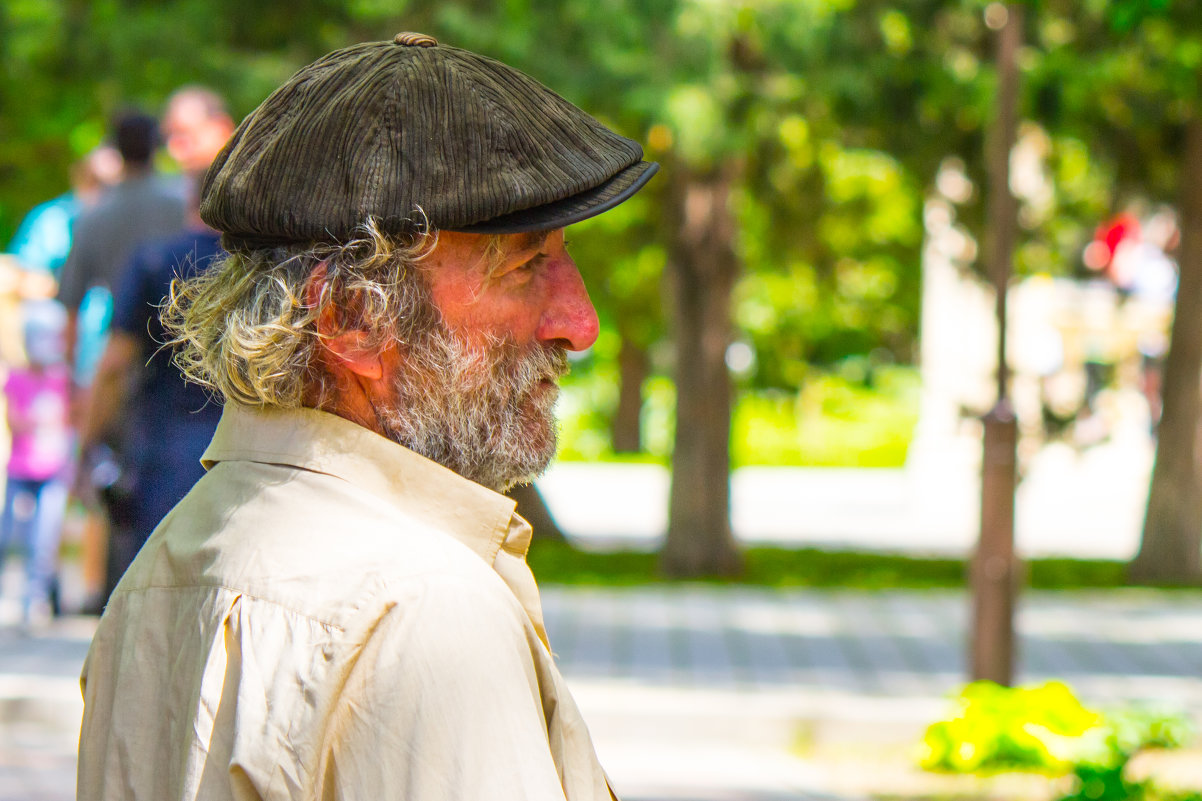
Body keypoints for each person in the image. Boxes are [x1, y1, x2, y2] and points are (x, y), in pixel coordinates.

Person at [77, 32, 657, 800]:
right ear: (353, 316)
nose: (579, 321)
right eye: (524, 264)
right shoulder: (422, 608)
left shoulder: (165, 565)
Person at [79, 90, 234, 603]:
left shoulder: (151, 258)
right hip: (238, 449)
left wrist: (86, 437)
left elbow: (115, 362)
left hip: (161, 447)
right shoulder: (261, 269)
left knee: (151, 591)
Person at [56, 111, 186, 386]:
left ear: (117, 149)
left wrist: (71, 382)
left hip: (119, 356)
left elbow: (70, 305)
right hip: (184, 352)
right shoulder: (183, 208)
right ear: (156, 146)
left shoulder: (93, 217)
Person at [0, 300, 71, 629]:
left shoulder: (63, 379)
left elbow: (69, 420)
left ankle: (36, 601)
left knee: (43, 539)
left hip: (52, 470)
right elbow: (16, 421)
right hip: (20, 467)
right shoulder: (16, 377)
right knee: (8, 535)